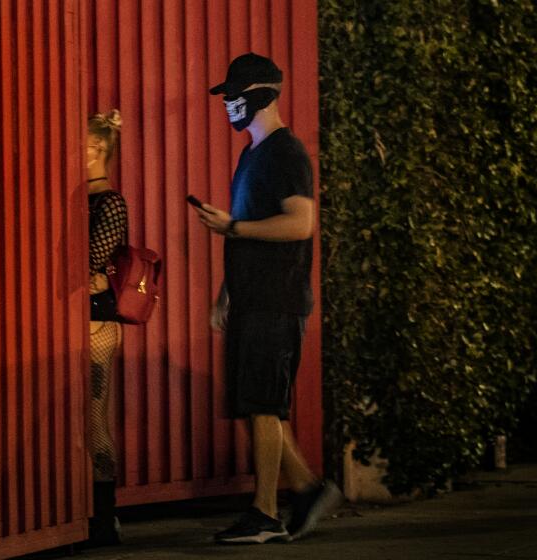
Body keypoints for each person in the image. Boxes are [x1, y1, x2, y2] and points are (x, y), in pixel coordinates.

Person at [196, 52, 343, 544]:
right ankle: (305, 489)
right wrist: (227, 292)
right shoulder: (252, 155)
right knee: (253, 404)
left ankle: (264, 514)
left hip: (277, 300)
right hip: (252, 298)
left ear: (259, 94)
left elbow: (301, 222)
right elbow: (247, 232)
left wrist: (231, 225)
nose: (228, 106)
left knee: (262, 404)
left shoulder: (285, 153)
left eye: (233, 96)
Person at [85, 109, 127, 547]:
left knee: (93, 420)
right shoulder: (80, 196)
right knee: (79, 419)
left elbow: (90, 261)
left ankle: (104, 519)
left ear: (97, 148)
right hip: (78, 319)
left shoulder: (109, 203)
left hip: (97, 325)